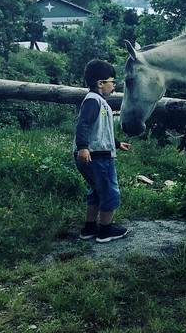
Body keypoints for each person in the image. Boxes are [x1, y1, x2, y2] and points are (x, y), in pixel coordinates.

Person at [74, 59, 131, 243]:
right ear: (100, 83)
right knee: (109, 191)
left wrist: (116, 143)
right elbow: (84, 125)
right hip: (97, 157)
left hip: (96, 153)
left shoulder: (98, 101)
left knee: (96, 191)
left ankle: (89, 228)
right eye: (112, 82)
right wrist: (83, 147)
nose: (114, 86)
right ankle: (106, 231)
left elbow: (100, 130)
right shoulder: (93, 100)